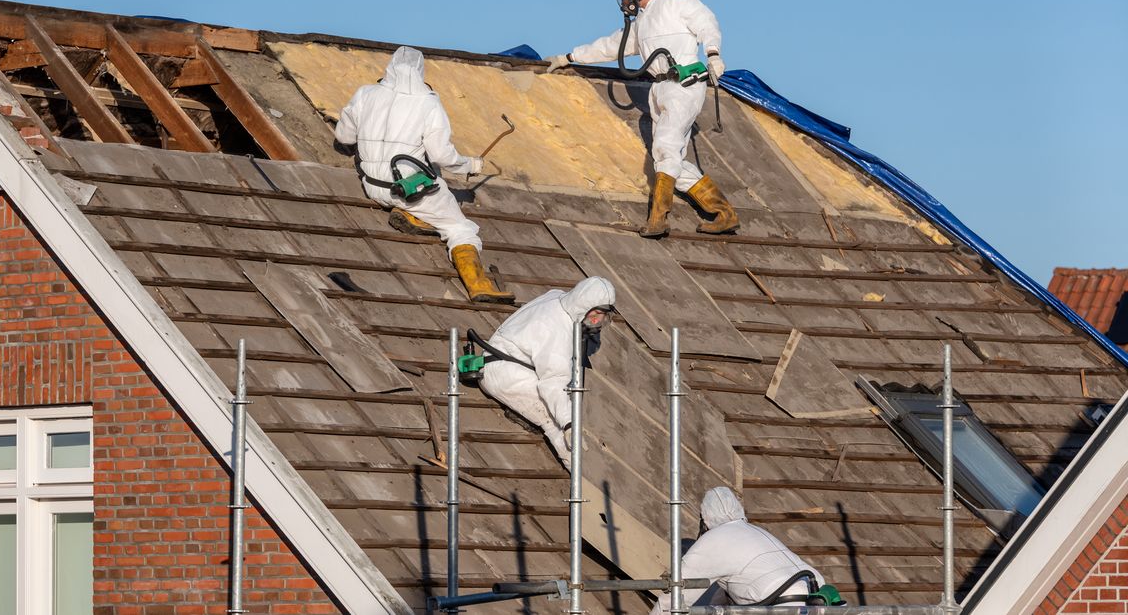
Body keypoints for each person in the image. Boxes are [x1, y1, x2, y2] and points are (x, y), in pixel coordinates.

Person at [545, 0, 740, 238]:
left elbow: (707, 22)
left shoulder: (676, 0)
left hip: (684, 83)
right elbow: (611, 46)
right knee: (670, 159)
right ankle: (724, 213)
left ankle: (658, 219)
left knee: (665, 147)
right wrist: (569, 57)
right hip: (659, 87)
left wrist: (713, 54)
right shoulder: (641, 24)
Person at [336, 46, 513, 304]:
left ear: (390, 67)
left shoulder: (366, 94)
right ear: (420, 71)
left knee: (426, 187)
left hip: (373, 186)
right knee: (460, 228)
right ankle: (479, 285)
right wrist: (470, 165)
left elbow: (343, 137)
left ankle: (414, 217)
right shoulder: (428, 102)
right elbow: (441, 156)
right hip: (409, 191)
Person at [478, 277, 616, 470]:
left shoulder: (558, 297)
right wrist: (569, 423)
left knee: (562, 405)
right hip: (506, 375)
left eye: (604, 315)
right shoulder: (556, 330)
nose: (597, 321)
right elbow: (553, 382)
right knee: (555, 422)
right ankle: (582, 477)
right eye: (596, 313)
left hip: (503, 361)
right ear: (582, 305)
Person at [648, 487, 825, 612]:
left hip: (782, 605)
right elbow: (724, 594)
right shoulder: (754, 532)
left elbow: (676, 595)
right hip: (820, 597)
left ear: (705, 519)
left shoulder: (713, 539)